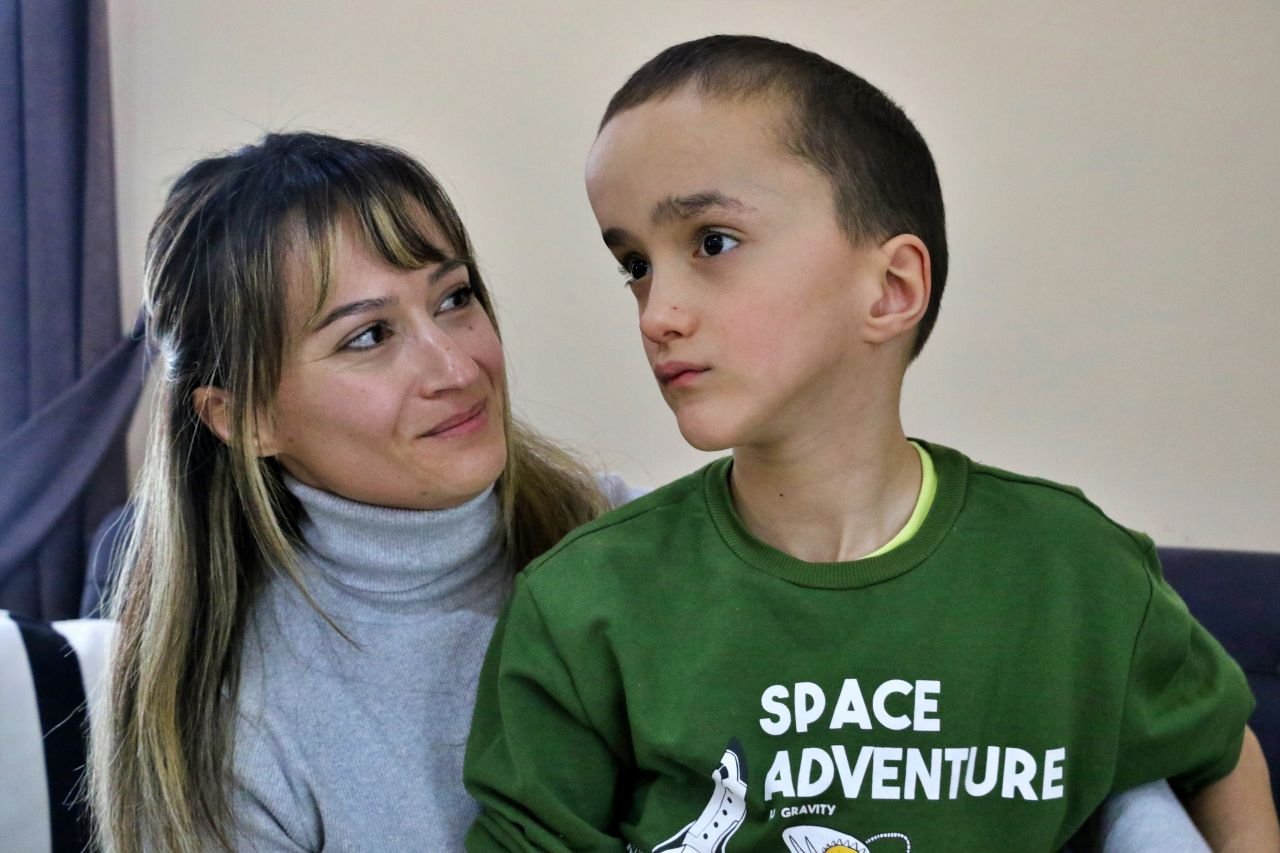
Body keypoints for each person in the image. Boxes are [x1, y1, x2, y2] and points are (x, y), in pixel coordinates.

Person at [463, 35, 1279, 851]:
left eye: (712, 242)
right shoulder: (584, 603)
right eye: (635, 265)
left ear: (891, 288)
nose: (657, 313)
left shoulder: (1077, 570)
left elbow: (1217, 752)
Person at [89, 132, 632, 852]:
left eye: (454, 298)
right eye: (370, 336)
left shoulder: (626, 536)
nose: (456, 367)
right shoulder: (238, 725)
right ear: (245, 418)